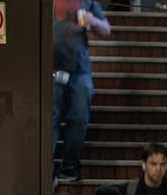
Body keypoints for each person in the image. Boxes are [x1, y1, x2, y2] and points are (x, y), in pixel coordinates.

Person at [52, 0, 111, 184]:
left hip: (79, 70)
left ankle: (70, 169)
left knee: (79, 118)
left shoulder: (87, 1)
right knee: (48, 120)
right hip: (50, 69)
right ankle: (46, 169)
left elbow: (105, 30)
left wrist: (92, 20)